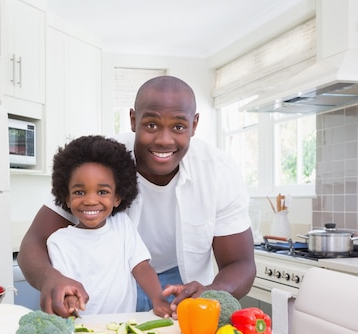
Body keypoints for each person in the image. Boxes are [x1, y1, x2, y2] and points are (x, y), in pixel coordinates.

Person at [17, 75, 256, 318]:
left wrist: (210, 292)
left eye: (179, 127)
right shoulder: (101, 163)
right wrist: (51, 278)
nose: (164, 140)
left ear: (194, 125)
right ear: (133, 120)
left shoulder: (218, 172)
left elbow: (241, 264)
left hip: (183, 282)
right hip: (117, 280)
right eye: (151, 125)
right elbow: (33, 242)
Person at [46, 135, 172, 317]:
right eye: (79, 192)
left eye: (102, 192)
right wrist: (69, 302)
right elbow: (63, 286)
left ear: (117, 198)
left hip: (123, 326)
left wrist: (158, 299)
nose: (90, 201)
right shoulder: (58, 242)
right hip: (83, 328)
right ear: (67, 197)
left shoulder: (122, 225)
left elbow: (141, 267)